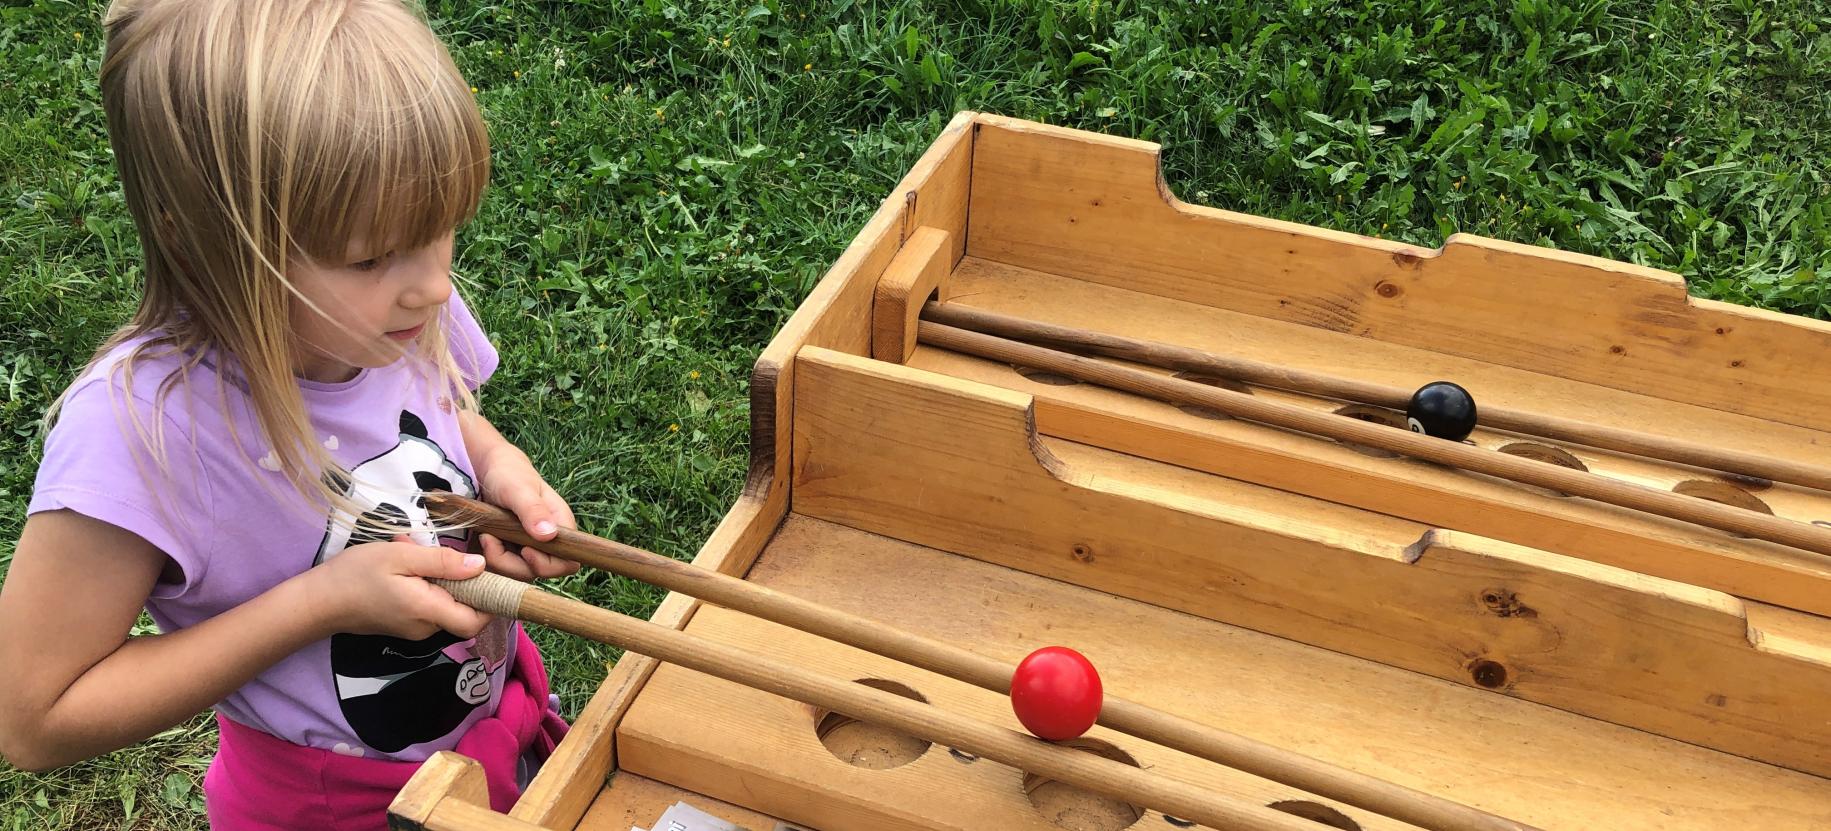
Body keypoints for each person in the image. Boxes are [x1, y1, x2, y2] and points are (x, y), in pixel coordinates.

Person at [0, 1, 578, 828]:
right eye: (371, 255)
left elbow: (444, 412)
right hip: (330, 807)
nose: (435, 286)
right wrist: (320, 604)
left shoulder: (393, 314)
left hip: (492, 727)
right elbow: (33, 717)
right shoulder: (142, 434)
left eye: (443, 229)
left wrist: (500, 471)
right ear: (204, 243)